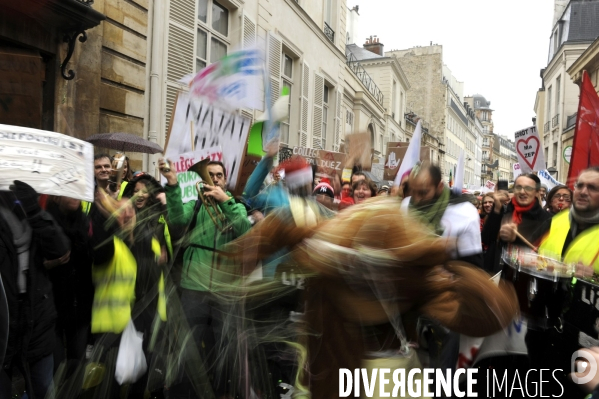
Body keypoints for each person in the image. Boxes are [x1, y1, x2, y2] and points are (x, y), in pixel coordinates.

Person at [159, 158, 251, 398]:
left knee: (224, 349)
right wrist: (172, 185)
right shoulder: (196, 205)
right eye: (210, 175)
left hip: (225, 290)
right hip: (194, 288)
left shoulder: (236, 205)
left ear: (226, 179)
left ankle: (222, 392)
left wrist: (226, 202)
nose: (215, 179)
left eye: (219, 175)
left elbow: (245, 231)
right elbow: (177, 221)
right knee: (188, 347)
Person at [526, 167, 599, 398]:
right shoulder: (556, 221)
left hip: (583, 340)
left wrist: (595, 278)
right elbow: (532, 253)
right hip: (543, 325)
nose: (583, 191)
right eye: (579, 185)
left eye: (593, 187)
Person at [88, 188, 168, 398]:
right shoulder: (108, 244)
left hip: (148, 321)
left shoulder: (149, 240)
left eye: (130, 209)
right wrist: (101, 216)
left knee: (140, 381)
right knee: (111, 385)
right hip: (115, 328)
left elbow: (156, 282)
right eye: (119, 210)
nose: (127, 214)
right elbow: (98, 246)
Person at [0, 181, 70, 399]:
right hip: (3, 321)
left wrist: (34, 210)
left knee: (42, 388)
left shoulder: (30, 202)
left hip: (36, 317)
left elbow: (59, 249)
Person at [45, 196, 94, 376]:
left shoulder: (85, 221)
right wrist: (47, 265)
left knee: (76, 368)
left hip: (80, 306)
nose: (76, 196)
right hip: (54, 308)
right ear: (57, 197)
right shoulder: (46, 222)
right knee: (55, 369)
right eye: (70, 192)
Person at [481, 173, 551, 274]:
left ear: (537, 192)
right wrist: (496, 209)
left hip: (527, 278)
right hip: (498, 275)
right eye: (518, 187)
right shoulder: (502, 212)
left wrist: (515, 239)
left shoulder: (547, 219)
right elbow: (486, 240)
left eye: (528, 188)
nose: (522, 192)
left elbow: (547, 254)